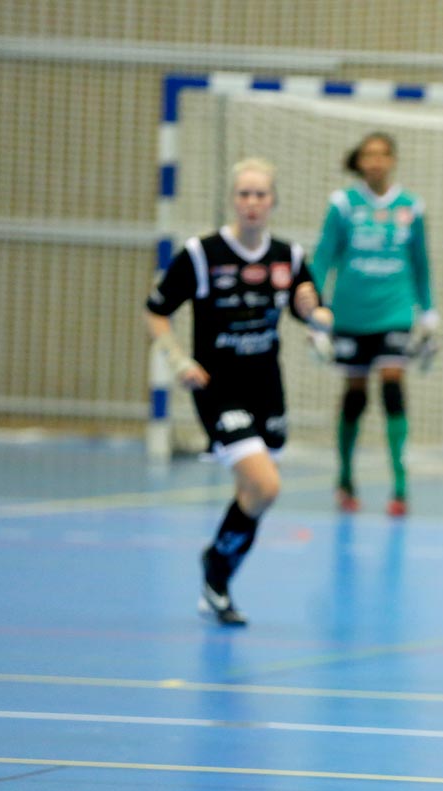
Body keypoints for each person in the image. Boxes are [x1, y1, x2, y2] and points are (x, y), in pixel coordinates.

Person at [145, 157, 333, 627]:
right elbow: (156, 310)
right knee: (266, 483)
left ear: (274, 201)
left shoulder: (288, 258)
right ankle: (216, 570)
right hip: (217, 388)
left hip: (267, 388)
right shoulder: (202, 254)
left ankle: (217, 575)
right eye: (244, 194)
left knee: (255, 494)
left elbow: (322, 319)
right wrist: (177, 360)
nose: (252, 202)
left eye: (261, 194)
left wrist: (314, 316)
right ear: (233, 199)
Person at [311, 131, 439, 517]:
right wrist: (314, 314)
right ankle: (346, 476)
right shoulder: (343, 205)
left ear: (393, 160)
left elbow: (421, 263)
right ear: (360, 161)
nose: (376, 162)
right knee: (355, 394)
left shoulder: (410, 207)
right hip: (350, 314)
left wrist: (428, 312)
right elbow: (322, 259)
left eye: (383, 154)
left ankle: (400, 486)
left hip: (395, 312)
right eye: (368, 155)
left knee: (392, 387)